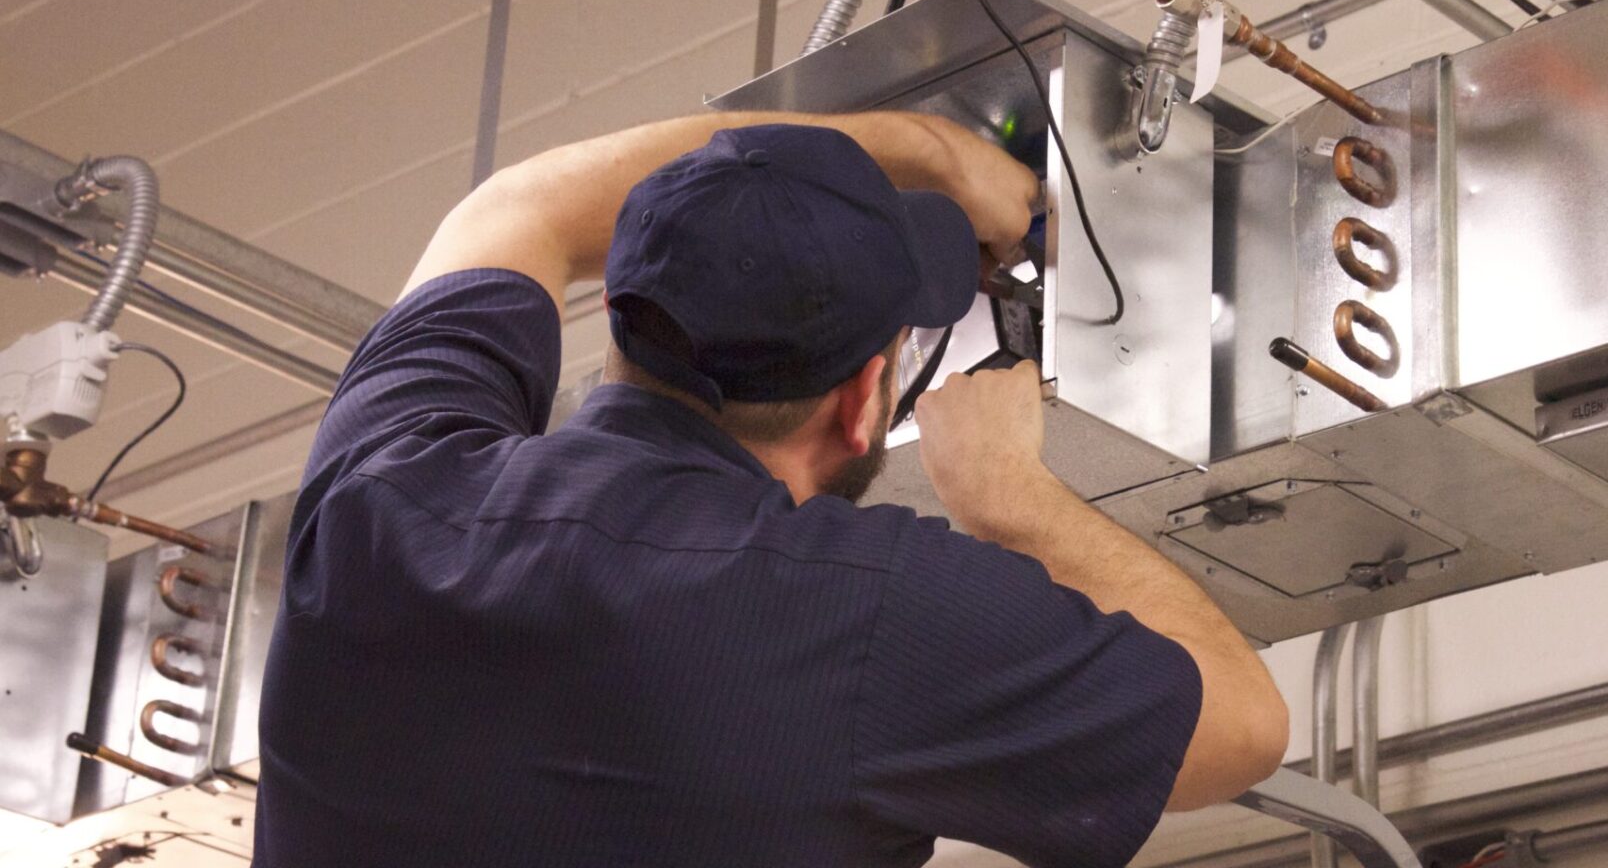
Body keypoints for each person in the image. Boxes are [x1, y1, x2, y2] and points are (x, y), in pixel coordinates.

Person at [255, 111, 1288, 867]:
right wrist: (1014, 496)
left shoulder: (381, 494)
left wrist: (917, 147)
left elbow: (519, 205)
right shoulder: (869, 612)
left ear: (619, 306)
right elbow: (1243, 726)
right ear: (865, 401)